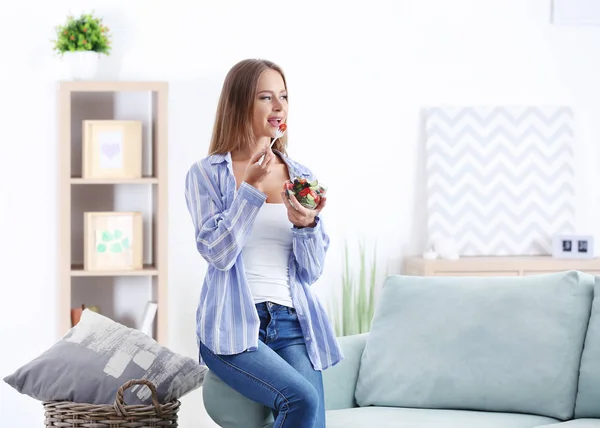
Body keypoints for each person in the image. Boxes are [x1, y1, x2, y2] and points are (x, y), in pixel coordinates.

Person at [184, 58, 344, 428]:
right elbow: (218, 253)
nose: (279, 106)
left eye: (284, 97)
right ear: (241, 104)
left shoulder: (301, 176)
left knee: (313, 415)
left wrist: (306, 225)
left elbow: (313, 270)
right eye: (266, 97)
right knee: (301, 398)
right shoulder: (206, 174)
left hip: (292, 323)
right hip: (232, 325)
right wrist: (250, 192)